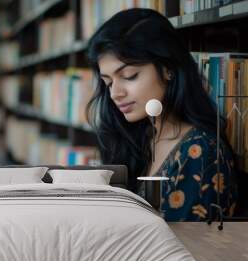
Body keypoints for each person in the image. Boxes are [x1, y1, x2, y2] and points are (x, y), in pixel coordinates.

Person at [86, 8, 237, 221]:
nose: (115, 94)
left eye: (129, 76)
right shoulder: (140, 136)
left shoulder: (202, 152)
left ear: (167, 68)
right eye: (108, 82)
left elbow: (187, 248)